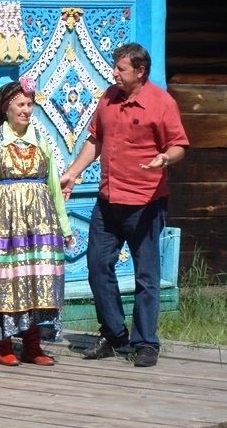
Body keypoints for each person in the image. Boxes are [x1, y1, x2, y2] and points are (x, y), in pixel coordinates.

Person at [60, 42, 189, 368]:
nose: (114, 73)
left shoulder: (161, 103)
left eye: (121, 68)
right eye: (114, 67)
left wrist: (165, 158)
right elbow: (95, 140)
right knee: (97, 266)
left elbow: (179, 146)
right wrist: (73, 173)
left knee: (147, 276)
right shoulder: (108, 98)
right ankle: (115, 334)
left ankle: (145, 342)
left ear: (140, 71)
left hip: (146, 203)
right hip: (108, 200)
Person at [0, 76, 73, 367]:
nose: (26, 110)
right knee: (7, 281)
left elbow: (54, 185)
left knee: (37, 281)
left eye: (30, 104)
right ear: (6, 108)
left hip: (40, 223)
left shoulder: (41, 139)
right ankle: (3, 344)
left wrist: (64, 227)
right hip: (6, 223)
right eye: (20, 104)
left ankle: (33, 344)